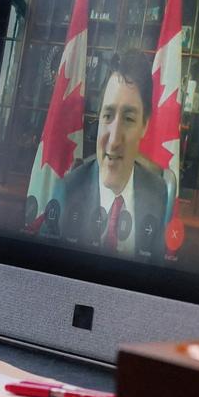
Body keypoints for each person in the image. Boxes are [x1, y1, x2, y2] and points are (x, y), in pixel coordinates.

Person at [56, 50, 166, 258]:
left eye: (128, 119)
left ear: (144, 125)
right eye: (108, 115)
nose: (114, 140)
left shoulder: (159, 193)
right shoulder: (66, 191)